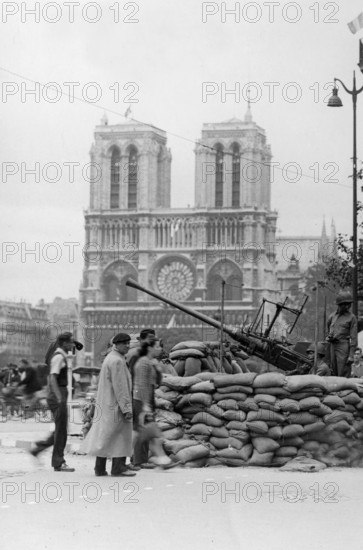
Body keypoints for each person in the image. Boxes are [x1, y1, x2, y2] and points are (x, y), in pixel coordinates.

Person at [82, 332, 136, 477]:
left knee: (105, 437)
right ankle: (118, 468)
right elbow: (121, 387)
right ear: (116, 345)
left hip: (106, 404)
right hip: (116, 405)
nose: (127, 346)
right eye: (124, 343)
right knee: (119, 437)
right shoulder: (117, 361)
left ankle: (99, 468)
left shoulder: (110, 358)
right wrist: (126, 408)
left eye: (128, 343)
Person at [29, 332, 78, 472]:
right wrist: (59, 397)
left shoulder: (61, 355)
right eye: (71, 342)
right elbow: (52, 378)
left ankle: (38, 448)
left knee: (60, 429)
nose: (72, 345)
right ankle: (58, 462)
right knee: (61, 431)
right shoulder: (58, 357)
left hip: (60, 394)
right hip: (58, 395)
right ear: (64, 343)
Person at [132, 340, 178, 469]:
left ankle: (162, 460)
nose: (160, 349)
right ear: (149, 348)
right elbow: (141, 385)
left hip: (148, 399)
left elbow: (157, 382)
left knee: (148, 433)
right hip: (141, 401)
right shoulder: (143, 363)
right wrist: (146, 405)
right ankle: (121, 458)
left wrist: (157, 369)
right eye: (157, 346)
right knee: (145, 432)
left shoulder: (151, 362)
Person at [327, 291, 357, 377]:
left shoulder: (352, 317)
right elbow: (328, 328)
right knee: (333, 369)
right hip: (332, 345)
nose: (348, 306)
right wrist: (328, 336)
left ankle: (344, 389)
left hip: (343, 345)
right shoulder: (332, 316)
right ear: (340, 305)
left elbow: (354, 338)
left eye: (349, 304)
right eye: (345, 304)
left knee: (343, 370)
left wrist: (351, 355)